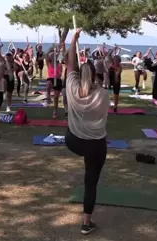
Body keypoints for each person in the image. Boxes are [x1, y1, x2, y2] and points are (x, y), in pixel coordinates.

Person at [64, 28, 110, 235]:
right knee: (90, 182)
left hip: (73, 141)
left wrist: (72, 40)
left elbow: (71, 63)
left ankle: (86, 223)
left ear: (78, 75)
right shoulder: (102, 94)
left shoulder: (72, 87)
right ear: (95, 75)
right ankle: (86, 223)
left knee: (77, 130)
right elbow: (77, 67)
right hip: (94, 145)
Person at [46, 43, 65, 118]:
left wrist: (60, 49)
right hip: (50, 79)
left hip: (57, 80)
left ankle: (55, 111)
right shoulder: (49, 63)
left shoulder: (60, 64)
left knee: (56, 98)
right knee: (48, 84)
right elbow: (47, 56)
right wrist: (54, 48)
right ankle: (48, 96)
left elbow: (60, 74)